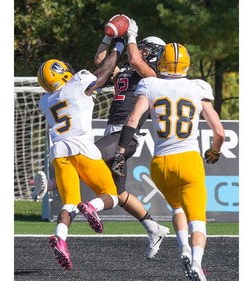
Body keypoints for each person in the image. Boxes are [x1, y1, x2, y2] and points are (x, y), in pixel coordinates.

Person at [33, 17, 171, 259]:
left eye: (147, 47)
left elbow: (136, 60)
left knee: (86, 156)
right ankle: (154, 227)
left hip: (125, 136)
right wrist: (108, 37)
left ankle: (58, 187)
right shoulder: (127, 72)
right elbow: (101, 63)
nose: (142, 49)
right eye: (142, 44)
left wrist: (129, 35)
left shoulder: (151, 75)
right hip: (112, 134)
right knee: (118, 194)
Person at [111, 43, 225, 281]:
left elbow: (133, 119)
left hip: (160, 164)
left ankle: (183, 248)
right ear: (187, 64)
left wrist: (121, 150)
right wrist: (214, 152)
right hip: (189, 160)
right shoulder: (197, 87)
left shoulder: (150, 84)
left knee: (177, 208)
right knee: (198, 221)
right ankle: (196, 263)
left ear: (162, 63)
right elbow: (219, 132)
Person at [36, 36, 125, 270]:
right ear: (62, 73)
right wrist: (119, 46)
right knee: (112, 195)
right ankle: (93, 207)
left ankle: (60, 238)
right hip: (82, 146)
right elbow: (104, 71)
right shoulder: (78, 82)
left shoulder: (45, 101)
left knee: (69, 203)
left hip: (58, 151)